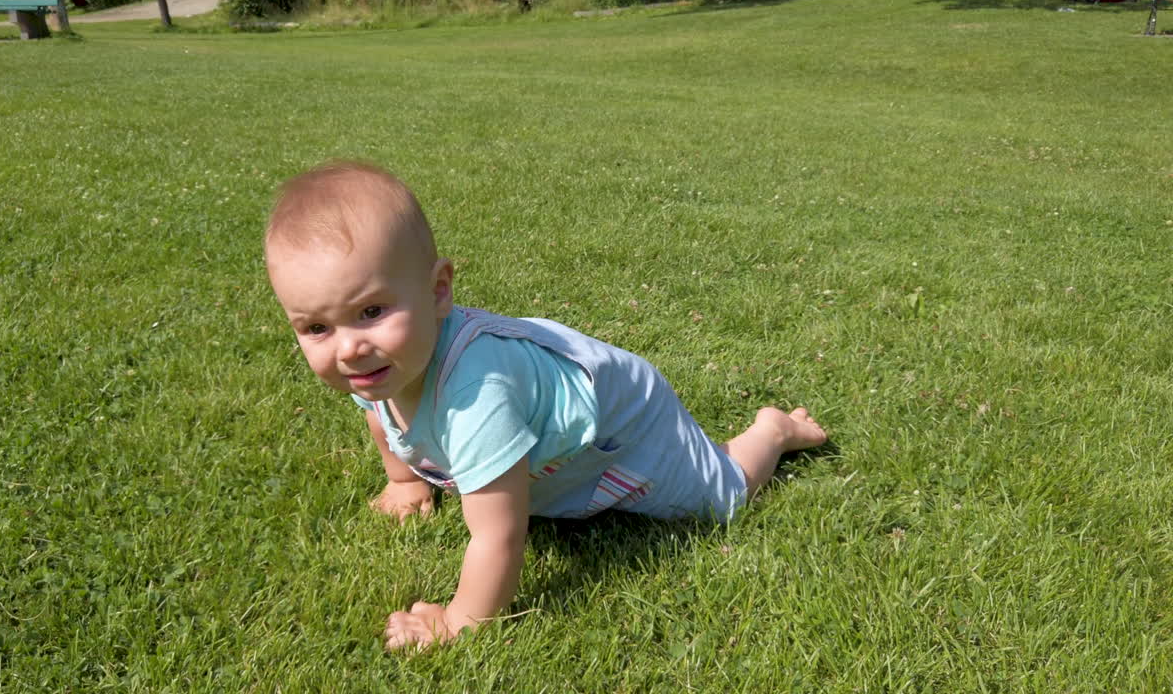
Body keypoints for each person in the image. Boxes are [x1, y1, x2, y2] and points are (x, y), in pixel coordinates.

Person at [263, 161, 827, 650]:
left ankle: (771, 432)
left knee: (718, 499)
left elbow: (499, 533)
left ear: (438, 291)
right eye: (316, 326)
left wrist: (460, 622)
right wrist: (408, 483)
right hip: (547, 419)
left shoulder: (476, 397)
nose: (349, 349)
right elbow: (380, 415)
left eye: (370, 312)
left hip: (621, 424)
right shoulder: (384, 365)